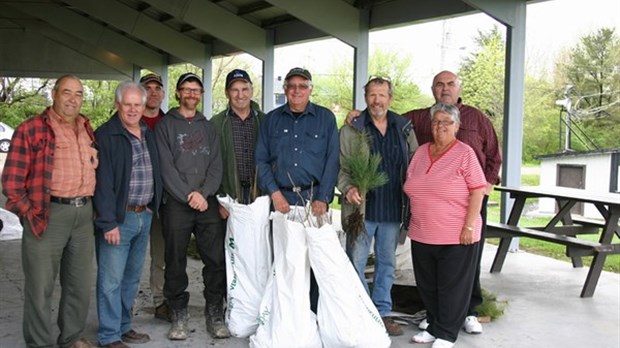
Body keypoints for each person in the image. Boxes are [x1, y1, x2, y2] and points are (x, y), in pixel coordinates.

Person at [348, 70, 501, 334]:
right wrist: (356, 116)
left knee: (466, 262)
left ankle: (468, 311)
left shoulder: (477, 117)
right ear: (432, 89)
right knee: (429, 265)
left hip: (469, 202)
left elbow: (493, 155)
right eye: (439, 84)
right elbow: (383, 116)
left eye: (450, 84)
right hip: (424, 208)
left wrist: (484, 185)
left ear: (458, 87)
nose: (445, 88)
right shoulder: (416, 118)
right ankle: (434, 315)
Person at [1, 74, 98, 348]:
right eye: (67, 92)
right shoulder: (31, 129)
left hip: (83, 214)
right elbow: (11, 182)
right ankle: (40, 343)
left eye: (78, 94)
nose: (73, 99)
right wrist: (28, 212)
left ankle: (71, 338)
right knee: (40, 287)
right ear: (53, 94)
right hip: (48, 214)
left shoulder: (86, 126)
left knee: (79, 285)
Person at [337, 76, 418, 336]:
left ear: (390, 98)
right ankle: (361, 311)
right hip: (362, 210)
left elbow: (416, 163)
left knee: (387, 263)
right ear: (365, 98)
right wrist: (348, 188)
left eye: (382, 95)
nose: (377, 100)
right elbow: (341, 167)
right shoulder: (353, 128)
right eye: (372, 95)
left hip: (394, 209)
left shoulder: (403, 127)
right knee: (356, 261)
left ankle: (381, 313)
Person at [255, 67, 339, 311]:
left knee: (314, 260)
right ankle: (285, 313)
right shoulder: (271, 119)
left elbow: (332, 160)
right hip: (281, 199)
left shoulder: (325, 118)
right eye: (292, 86)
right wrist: (274, 193)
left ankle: (311, 314)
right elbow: (261, 160)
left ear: (310, 89)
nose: (297, 91)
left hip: (314, 200)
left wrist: (323, 197)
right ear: (285, 90)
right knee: (283, 259)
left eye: (302, 86)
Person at [403, 103, 486, 348]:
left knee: (452, 288)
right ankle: (434, 325)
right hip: (422, 232)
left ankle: (447, 334)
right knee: (428, 285)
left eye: (446, 122)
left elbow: (478, 191)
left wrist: (469, 227)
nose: (440, 127)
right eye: (436, 122)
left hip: (456, 234)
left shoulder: (465, 153)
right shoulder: (420, 153)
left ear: (457, 126)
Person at [155, 72, 228, 340]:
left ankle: (214, 311)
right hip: (177, 203)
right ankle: (178, 313)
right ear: (177, 93)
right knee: (174, 260)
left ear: (201, 95)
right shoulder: (165, 126)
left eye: (196, 90)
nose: (191, 94)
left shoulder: (207, 127)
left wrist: (204, 193)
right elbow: (166, 168)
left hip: (206, 202)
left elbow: (216, 166)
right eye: (186, 89)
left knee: (215, 259)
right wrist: (189, 195)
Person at [93, 81, 162, 348]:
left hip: (143, 215)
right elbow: (102, 182)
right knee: (110, 280)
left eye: (138, 104)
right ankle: (109, 335)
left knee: (131, 278)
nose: (133, 109)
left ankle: (124, 326)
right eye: (128, 104)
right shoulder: (106, 135)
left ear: (144, 106)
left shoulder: (148, 132)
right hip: (117, 220)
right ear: (117, 105)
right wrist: (108, 222)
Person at [138, 72, 169, 321]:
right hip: (133, 202)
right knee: (128, 258)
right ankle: (122, 306)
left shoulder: (169, 123)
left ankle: (161, 302)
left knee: (161, 254)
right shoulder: (129, 120)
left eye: (158, 88)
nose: (154, 92)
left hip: (161, 201)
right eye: (148, 88)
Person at [211, 69, 265, 207]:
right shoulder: (216, 123)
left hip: (260, 197)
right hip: (229, 197)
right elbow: (210, 164)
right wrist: (220, 200)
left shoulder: (265, 121)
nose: (240, 95)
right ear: (226, 92)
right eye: (234, 90)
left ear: (251, 91)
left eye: (245, 89)